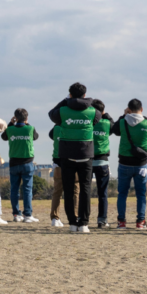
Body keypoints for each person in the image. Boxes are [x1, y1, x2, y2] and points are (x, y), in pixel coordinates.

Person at [48, 83, 102, 233]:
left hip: (67, 155)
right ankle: (84, 224)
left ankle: (72, 223)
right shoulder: (93, 112)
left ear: (70, 95)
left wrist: (65, 101)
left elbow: (52, 114)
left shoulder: (63, 111)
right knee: (85, 189)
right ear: (85, 95)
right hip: (86, 155)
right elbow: (98, 118)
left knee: (69, 190)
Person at [110, 99, 147, 229]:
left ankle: (121, 222)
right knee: (141, 194)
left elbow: (115, 130)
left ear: (128, 109)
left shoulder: (123, 122)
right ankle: (140, 222)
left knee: (122, 193)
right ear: (142, 109)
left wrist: (124, 115)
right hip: (141, 163)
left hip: (124, 162)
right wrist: (142, 116)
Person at [1, 108, 40, 223]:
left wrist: (11, 123)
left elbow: (3, 137)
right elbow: (36, 137)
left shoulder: (11, 129)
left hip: (13, 163)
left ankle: (16, 214)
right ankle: (27, 215)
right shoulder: (30, 128)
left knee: (14, 189)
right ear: (26, 118)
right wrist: (27, 123)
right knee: (27, 190)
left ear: (15, 118)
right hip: (27, 163)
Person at [48, 122, 78, 228]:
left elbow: (51, 135)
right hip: (74, 161)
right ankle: (75, 216)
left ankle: (55, 217)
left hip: (58, 162)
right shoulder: (75, 126)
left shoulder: (56, 127)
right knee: (75, 191)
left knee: (57, 192)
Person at [91, 99, 113, 228]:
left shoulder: (88, 123)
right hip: (103, 161)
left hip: (88, 160)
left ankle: (83, 217)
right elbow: (114, 126)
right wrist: (105, 114)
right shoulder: (106, 123)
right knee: (102, 193)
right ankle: (102, 220)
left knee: (85, 191)